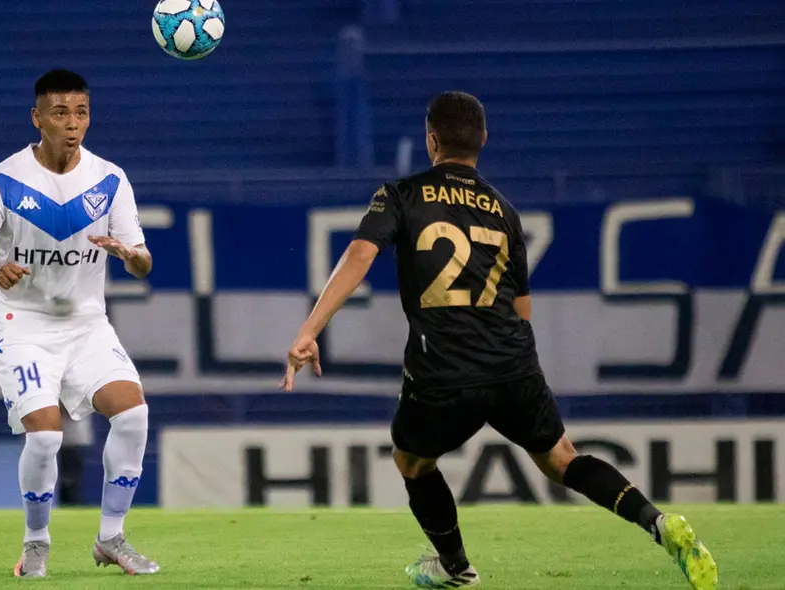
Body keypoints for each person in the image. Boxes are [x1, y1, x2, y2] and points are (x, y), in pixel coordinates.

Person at [281, 91, 717, 589]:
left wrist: (309, 330)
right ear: (482, 140)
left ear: (431, 141)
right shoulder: (505, 212)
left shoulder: (401, 194)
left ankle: (455, 567)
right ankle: (658, 523)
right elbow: (521, 309)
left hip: (443, 371)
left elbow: (360, 255)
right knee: (563, 460)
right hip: (513, 363)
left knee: (412, 461)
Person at [0, 69, 159, 578]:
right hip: (20, 322)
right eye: (61, 112)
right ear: (38, 117)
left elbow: (144, 262)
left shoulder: (110, 180)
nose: (73, 123)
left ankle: (111, 537)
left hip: (87, 324)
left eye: (82, 112)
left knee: (133, 416)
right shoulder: (3, 179)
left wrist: (129, 254)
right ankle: (37, 542)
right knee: (46, 437)